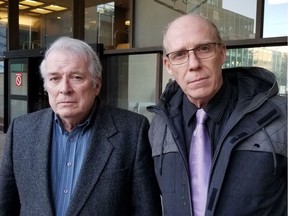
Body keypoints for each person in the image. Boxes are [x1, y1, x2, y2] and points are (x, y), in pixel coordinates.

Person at [0, 36, 162, 216]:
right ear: (46, 86)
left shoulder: (132, 131)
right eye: (54, 78)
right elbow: (5, 205)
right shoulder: (21, 130)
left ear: (97, 84)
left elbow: (146, 210)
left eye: (76, 77)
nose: (64, 88)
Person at [147, 14, 287, 216]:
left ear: (222, 53)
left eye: (203, 49)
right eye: (179, 54)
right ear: (168, 66)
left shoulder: (281, 117)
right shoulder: (159, 126)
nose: (193, 64)